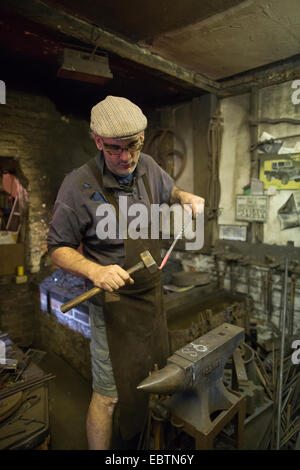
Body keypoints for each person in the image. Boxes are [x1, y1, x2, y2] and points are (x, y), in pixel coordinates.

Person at [47, 95, 204, 449]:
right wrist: (93, 270)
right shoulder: (78, 186)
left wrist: (184, 197)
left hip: (151, 298)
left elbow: (170, 189)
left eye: (132, 146)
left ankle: (143, 444)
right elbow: (56, 248)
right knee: (108, 396)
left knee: (152, 381)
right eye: (115, 149)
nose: (125, 158)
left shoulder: (147, 165)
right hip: (113, 304)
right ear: (98, 141)